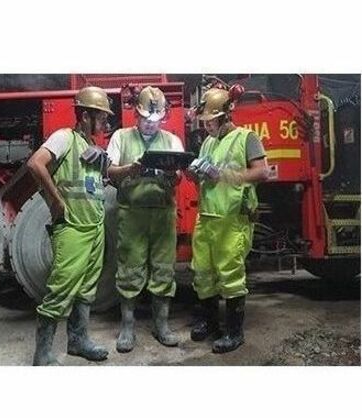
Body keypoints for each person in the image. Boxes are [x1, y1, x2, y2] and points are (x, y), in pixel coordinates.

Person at [27, 86, 114, 365]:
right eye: (102, 117)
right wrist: (56, 200)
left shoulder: (92, 148)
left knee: (87, 289)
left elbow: (108, 175)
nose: (105, 123)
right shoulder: (64, 137)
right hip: (73, 227)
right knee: (61, 289)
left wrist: (134, 168)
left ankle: (78, 341)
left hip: (94, 226)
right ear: (85, 116)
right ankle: (42, 354)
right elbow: (36, 164)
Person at [188, 84, 269, 353]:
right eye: (204, 121)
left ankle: (234, 332)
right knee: (203, 272)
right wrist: (194, 174)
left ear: (225, 116)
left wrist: (225, 176)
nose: (206, 126)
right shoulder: (208, 142)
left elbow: (262, 172)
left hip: (233, 219)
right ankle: (209, 322)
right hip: (207, 216)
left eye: (210, 121)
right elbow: (205, 177)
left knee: (231, 274)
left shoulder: (246, 138)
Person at [107, 86, 184, 352]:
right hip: (132, 215)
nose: (151, 124)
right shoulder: (121, 137)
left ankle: (161, 325)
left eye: (156, 119)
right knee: (129, 270)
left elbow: (178, 178)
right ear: (136, 115)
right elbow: (110, 171)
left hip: (162, 215)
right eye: (145, 119)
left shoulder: (172, 141)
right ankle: (127, 328)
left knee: (163, 269)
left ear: (162, 117)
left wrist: (173, 174)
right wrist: (132, 168)